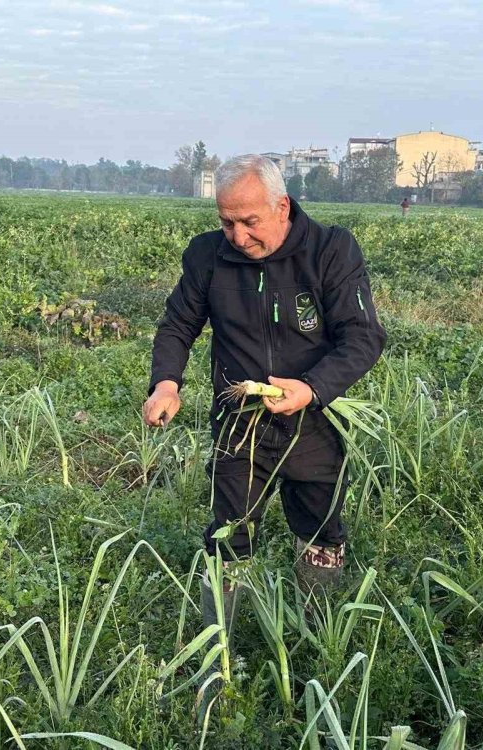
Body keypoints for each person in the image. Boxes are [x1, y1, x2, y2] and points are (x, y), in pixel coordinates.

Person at [142, 154, 386, 664]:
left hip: (314, 421)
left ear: (281, 207)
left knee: (320, 531)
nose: (236, 235)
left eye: (249, 222)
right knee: (229, 534)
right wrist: (166, 383)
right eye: (226, 221)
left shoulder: (329, 250)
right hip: (240, 422)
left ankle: (317, 644)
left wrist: (312, 389)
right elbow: (177, 325)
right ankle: (218, 652)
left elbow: (362, 338)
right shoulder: (207, 256)